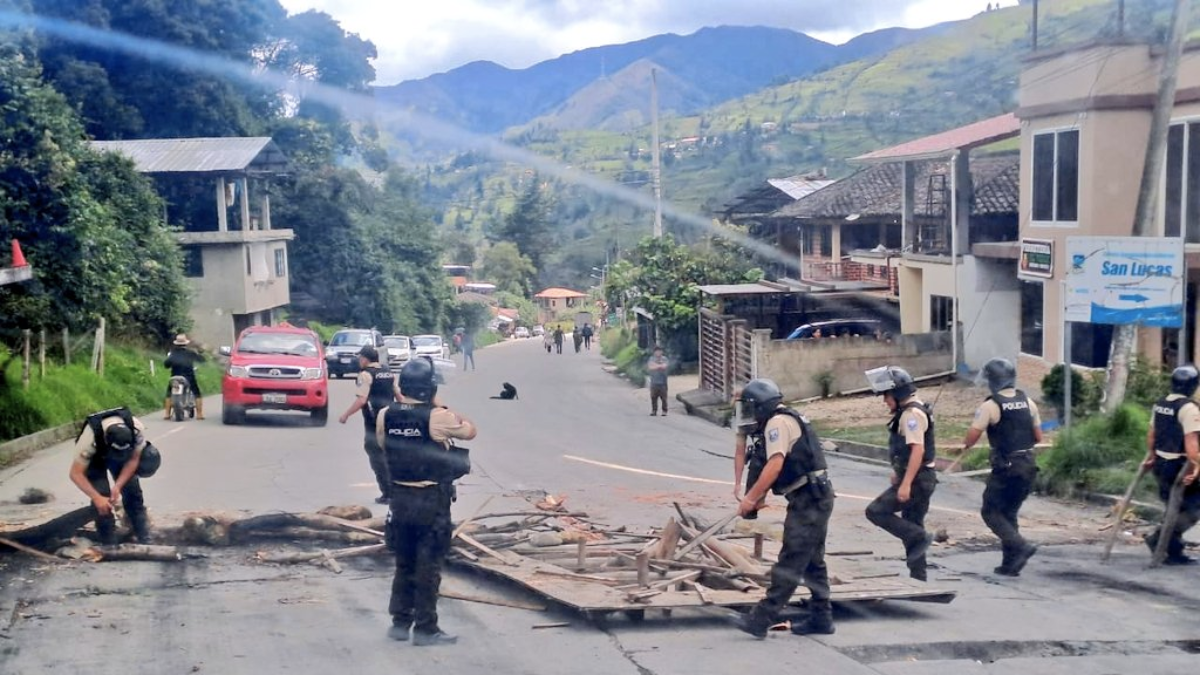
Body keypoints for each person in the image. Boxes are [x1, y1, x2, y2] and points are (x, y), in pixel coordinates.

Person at [377, 357, 477, 646]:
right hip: (430, 500)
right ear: (429, 389)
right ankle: (425, 628)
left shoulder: (385, 414)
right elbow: (470, 431)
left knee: (404, 562)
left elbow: (384, 446)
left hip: (399, 500)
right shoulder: (437, 416)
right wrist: (442, 406)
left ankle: (399, 623)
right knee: (428, 566)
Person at [732, 379, 835, 639]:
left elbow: (774, 465)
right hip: (812, 496)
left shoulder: (777, 423)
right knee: (812, 560)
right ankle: (822, 617)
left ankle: (760, 618)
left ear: (760, 406)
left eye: (751, 408)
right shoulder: (784, 418)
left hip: (810, 498)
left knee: (792, 557)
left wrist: (750, 498)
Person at [962, 357, 1042, 576]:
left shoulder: (990, 405)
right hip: (1028, 466)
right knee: (1009, 513)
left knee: (990, 511)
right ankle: (1011, 564)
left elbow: (972, 437)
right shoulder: (1028, 402)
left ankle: (1021, 546)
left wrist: (965, 445)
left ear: (992, 381)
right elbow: (1038, 436)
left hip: (1006, 468)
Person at [864, 365, 937, 581]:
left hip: (917, 480)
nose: (884, 401)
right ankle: (918, 577)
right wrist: (899, 473)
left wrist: (905, 484)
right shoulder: (911, 410)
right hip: (921, 478)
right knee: (912, 523)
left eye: (886, 395)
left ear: (896, 393)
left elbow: (917, 450)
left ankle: (920, 537)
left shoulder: (910, 415)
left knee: (875, 511)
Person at [1141, 364, 1200, 565]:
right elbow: (1192, 446)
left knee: (1173, 507)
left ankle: (1172, 549)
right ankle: (1160, 539)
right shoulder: (1189, 409)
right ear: (1193, 386)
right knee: (1193, 508)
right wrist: (1197, 466)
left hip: (1161, 464)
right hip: (1179, 466)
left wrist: (1151, 456)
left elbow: (1152, 435)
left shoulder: (1160, 404)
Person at [69, 408, 153, 544]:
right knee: (102, 497)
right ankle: (108, 540)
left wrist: (118, 486)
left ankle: (143, 535)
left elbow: (133, 460)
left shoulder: (136, 429)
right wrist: (96, 497)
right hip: (96, 457)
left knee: (132, 492)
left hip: (125, 455)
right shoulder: (89, 439)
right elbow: (75, 473)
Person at [338, 346, 399, 504]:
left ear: (365, 359)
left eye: (360, 358)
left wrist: (346, 414)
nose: (359, 360)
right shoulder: (388, 372)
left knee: (376, 456)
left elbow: (362, 400)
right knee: (390, 455)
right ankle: (396, 490)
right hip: (390, 419)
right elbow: (398, 395)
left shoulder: (365, 375)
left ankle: (388, 493)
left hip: (374, 422)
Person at [164, 334, 205, 420]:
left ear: (176, 344)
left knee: (168, 394)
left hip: (175, 378)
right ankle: (199, 414)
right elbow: (202, 360)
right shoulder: (190, 353)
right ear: (186, 343)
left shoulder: (173, 354)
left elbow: (166, 365)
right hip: (188, 378)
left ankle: (167, 414)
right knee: (197, 393)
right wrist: (200, 353)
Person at [646, 346, 669, 416]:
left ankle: (664, 411)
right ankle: (654, 410)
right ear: (654, 352)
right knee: (653, 397)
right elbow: (650, 367)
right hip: (654, 382)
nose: (658, 353)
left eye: (659, 351)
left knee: (664, 398)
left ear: (662, 352)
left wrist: (656, 366)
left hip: (663, 382)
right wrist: (659, 366)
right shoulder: (651, 359)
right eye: (657, 351)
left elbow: (664, 366)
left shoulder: (664, 359)